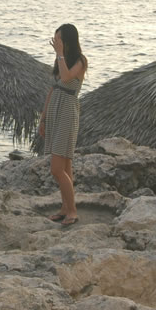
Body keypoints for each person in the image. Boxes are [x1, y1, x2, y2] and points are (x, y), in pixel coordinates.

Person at [39, 24, 87, 226]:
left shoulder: (79, 61)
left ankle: (73, 210)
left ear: (68, 40)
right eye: (54, 39)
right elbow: (54, 88)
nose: (55, 42)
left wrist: (59, 54)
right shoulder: (61, 60)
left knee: (57, 168)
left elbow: (67, 78)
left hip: (68, 112)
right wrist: (43, 118)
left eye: (59, 39)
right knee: (65, 167)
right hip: (56, 112)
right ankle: (66, 208)